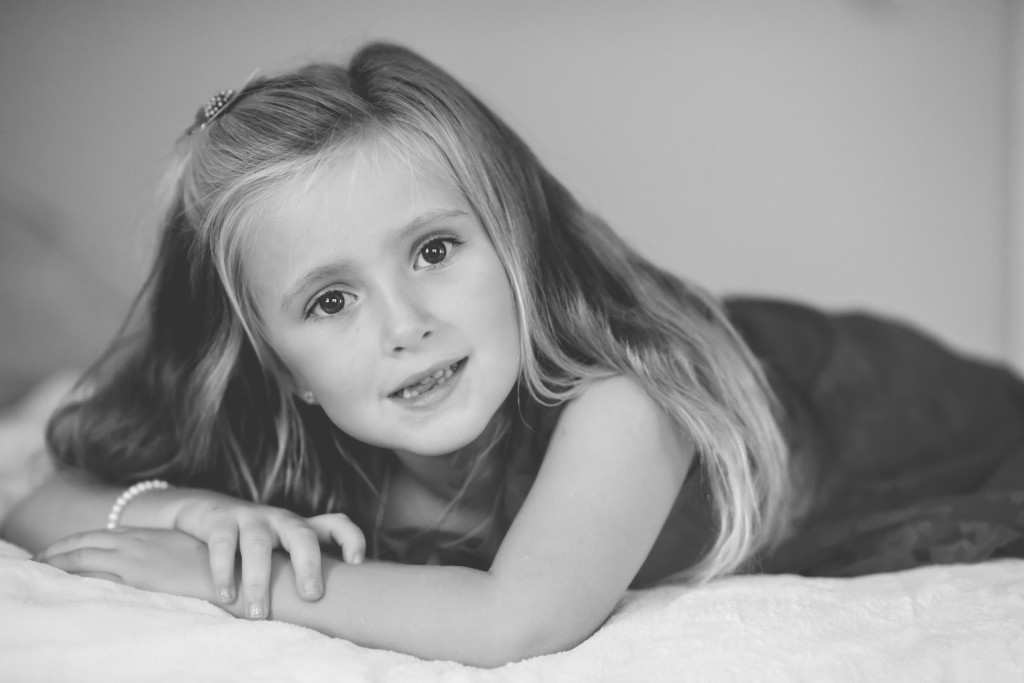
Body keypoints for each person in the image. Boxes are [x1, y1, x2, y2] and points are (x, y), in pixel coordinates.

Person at [3, 43, 1023, 667]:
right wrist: (191, 510)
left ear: (518, 245)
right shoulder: (287, 431)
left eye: (435, 250)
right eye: (329, 299)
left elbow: (513, 618)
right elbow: (33, 500)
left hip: (922, 426)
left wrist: (217, 579)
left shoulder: (630, 395)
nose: (405, 322)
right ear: (277, 366)